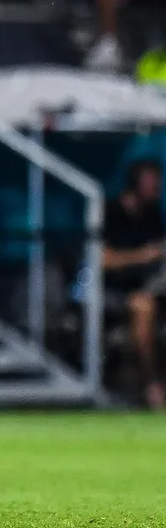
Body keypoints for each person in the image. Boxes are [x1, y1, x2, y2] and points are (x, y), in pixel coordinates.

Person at [103, 158, 166, 409]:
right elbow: (102, 260)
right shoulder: (112, 212)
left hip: (152, 286)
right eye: (152, 183)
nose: (156, 189)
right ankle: (150, 384)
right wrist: (144, 254)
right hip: (115, 290)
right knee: (143, 308)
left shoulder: (153, 214)